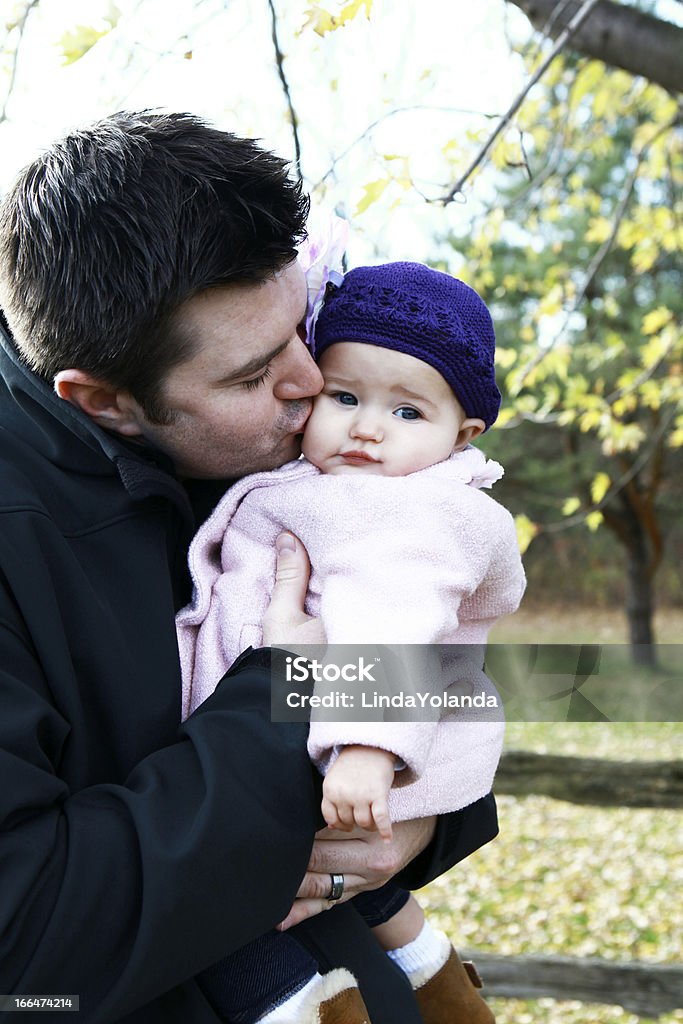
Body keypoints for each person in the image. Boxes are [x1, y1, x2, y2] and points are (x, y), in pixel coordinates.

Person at [0, 111, 501, 1023]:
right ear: (102, 399)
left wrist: (423, 823)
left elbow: (456, 656)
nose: (312, 383)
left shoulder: (276, 457)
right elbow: (25, 944)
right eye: (250, 375)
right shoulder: (20, 535)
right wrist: (291, 692)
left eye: (299, 328)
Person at [176, 262, 527, 1023]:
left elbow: (393, 615)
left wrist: (365, 746)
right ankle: (437, 979)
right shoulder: (331, 484)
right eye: (345, 397)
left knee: (238, 918)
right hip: (303, 743)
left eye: (407, 412)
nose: (367, 427)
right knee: (357, 898)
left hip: (343, 746)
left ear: (461, 434)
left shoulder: (407, 514)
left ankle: (306, 1007)